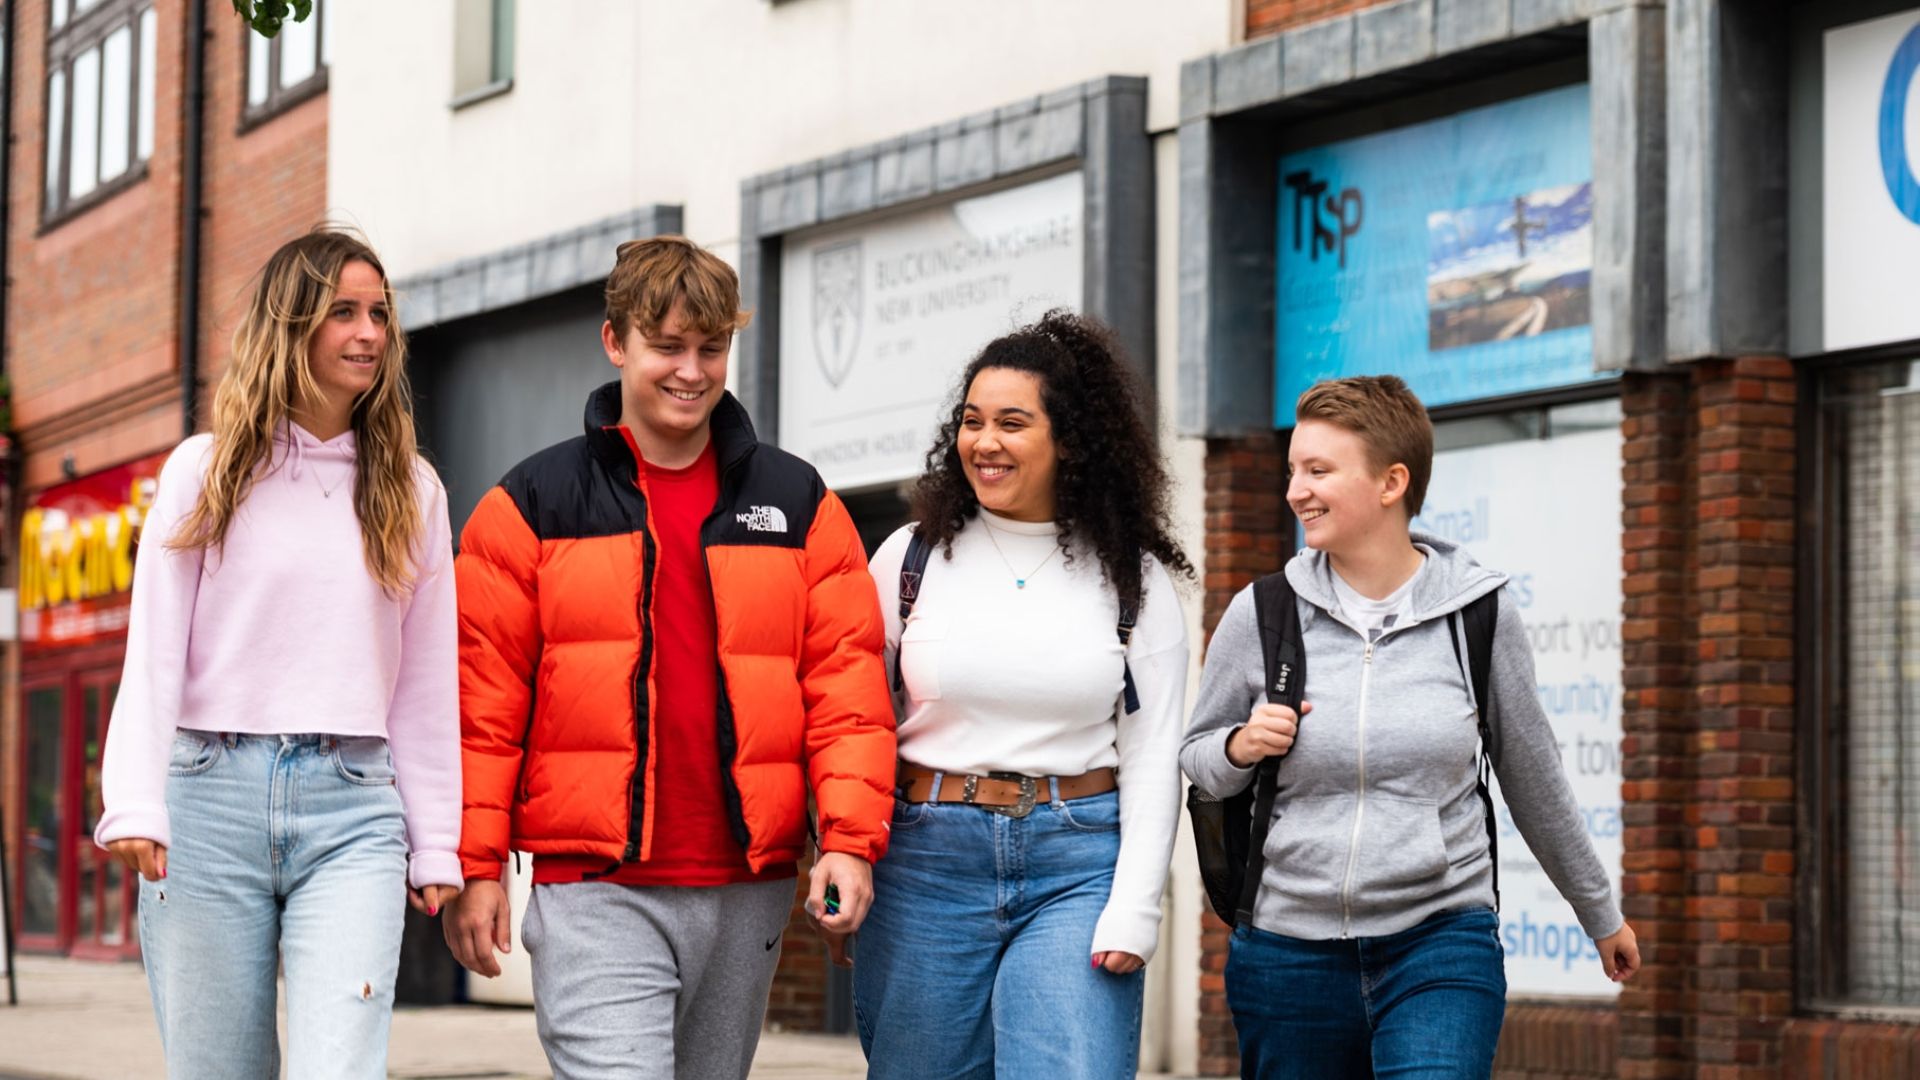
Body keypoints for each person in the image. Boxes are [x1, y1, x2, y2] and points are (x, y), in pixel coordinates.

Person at [442, 235, 896, 1080]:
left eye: (711, 347)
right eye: (668, 346)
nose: (692, 370)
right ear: (615, 343)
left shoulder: (799, 504)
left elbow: (846, 689)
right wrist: (474, 867)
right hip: (596, 887)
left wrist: (848, 840)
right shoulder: (529, 506)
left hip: (746, 887)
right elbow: (481, 709)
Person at [1180, 374, 1639, 1079]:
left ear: (1392, 482)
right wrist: (1242, 746)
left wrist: (1598, 912)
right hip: (1287, 951)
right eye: (1294, 470)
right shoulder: (1263, 613)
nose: (1296, 489)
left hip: (1440, 939)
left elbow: (1531, 772)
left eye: (1319, 470)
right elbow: (1198, 759)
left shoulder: (1478, 615)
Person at [94, 228, 462, 1078]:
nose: (370, 333)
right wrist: (135, 800)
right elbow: (152, 654)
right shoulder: (205, 471)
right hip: (205, 808)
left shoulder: (412, 489)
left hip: (354, 811)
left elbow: (423, 684)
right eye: (343, 313)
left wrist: (437, 839)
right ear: (290, 324)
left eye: (380, 314)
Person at [855, 310, 1192, 1079]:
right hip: (924, 864)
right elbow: (857, 723)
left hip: (1075, 865)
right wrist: (849, 853)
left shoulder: (1131, 576)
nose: (984, 442)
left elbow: (1153, 754)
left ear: (1068, 439)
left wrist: (1138, 906)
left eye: (1012, 422)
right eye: (972, 421)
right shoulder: (908, 560)